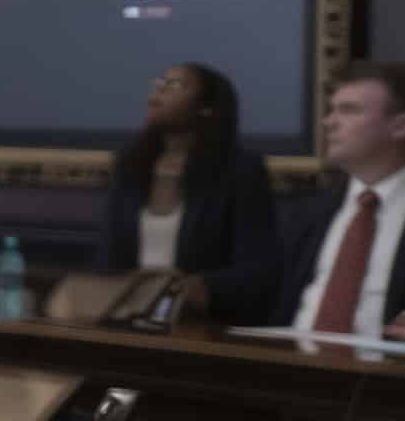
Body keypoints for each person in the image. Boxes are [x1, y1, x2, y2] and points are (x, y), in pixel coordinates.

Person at [96, 63, 277, 323]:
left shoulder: (240, 171)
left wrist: (197, 287)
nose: (158, 91)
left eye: (174, 85)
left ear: (206, 107)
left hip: (203, 325)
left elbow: (258, 268)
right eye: (159, 83)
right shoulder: (129, 165)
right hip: (127, 317)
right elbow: (108, 257)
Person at [269, 62, 405, 341]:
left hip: (396, 379)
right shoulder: (308, 211)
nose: (328, 122)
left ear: (402, 126)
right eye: (332, 109)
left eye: (349, 110)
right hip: (292, 372)